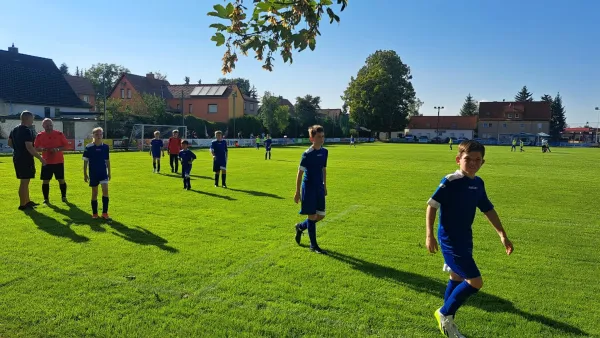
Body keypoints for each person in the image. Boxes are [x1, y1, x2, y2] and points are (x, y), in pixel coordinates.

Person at [425, 140, 514, 337]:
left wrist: (502, 235)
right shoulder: (450, 181)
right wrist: (429, 235)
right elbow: (432, 206)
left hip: (465, 238)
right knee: (475, 282)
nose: (472, 163)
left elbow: (488, 209)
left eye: (477, 160)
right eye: (468, 159)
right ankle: (444, 313)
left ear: (483, 162)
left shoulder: (478, 183)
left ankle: (448, 319)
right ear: (458, 159)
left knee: (456, 277)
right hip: (450, 240)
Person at [294, 125, 328, 254]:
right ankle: (313, 246)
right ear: (311, 138)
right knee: (312, 216)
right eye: (319, 137)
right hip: (308, 188)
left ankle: (300, 227)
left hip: (319, 187)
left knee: (321, 215)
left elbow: (323, 169)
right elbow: (300, 173)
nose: (321, 139)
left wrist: (324, 185)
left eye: (323, 136)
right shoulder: (307, 154)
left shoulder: (325, 152)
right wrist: (297, 192)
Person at [8, 110, 46, 210]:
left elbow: (9, 143)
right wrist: (40, 158)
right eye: (32, 119)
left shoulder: (14, 130)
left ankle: (27, 201)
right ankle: (22, 205)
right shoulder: (26, 130)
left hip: (17, 157)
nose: (32, 121)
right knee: (24, 182)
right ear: (28, 118)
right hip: (25, 159)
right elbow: (29, 147)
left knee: (26, 180)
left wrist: (18, 149)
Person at [34, 118, 69, 204]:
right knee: (45, 180)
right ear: (43, 126)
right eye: (47, 126)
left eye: (50, 125)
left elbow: (66, 146)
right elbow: (35, 148)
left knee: (61, 179)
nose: (49, 127)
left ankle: (64, 197)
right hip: (46, 162)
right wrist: (42, 149)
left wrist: (57, 149)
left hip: (58, 161)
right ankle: (46, 199)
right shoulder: (39, 135)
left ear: (52, 125)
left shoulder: (59, 134)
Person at [83, 127, 111, 221]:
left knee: (105, 191)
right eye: (97, 134)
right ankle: (95, 213)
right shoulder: (88, 147)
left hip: (103, 173)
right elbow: (85, 162)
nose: (99, 136)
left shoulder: (105, 147)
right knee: (94, 193)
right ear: (93, 135)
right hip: (93, 173)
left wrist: (109, 172)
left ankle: (105, 213)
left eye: (100, 134)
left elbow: (107, 161)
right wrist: (85, 174)